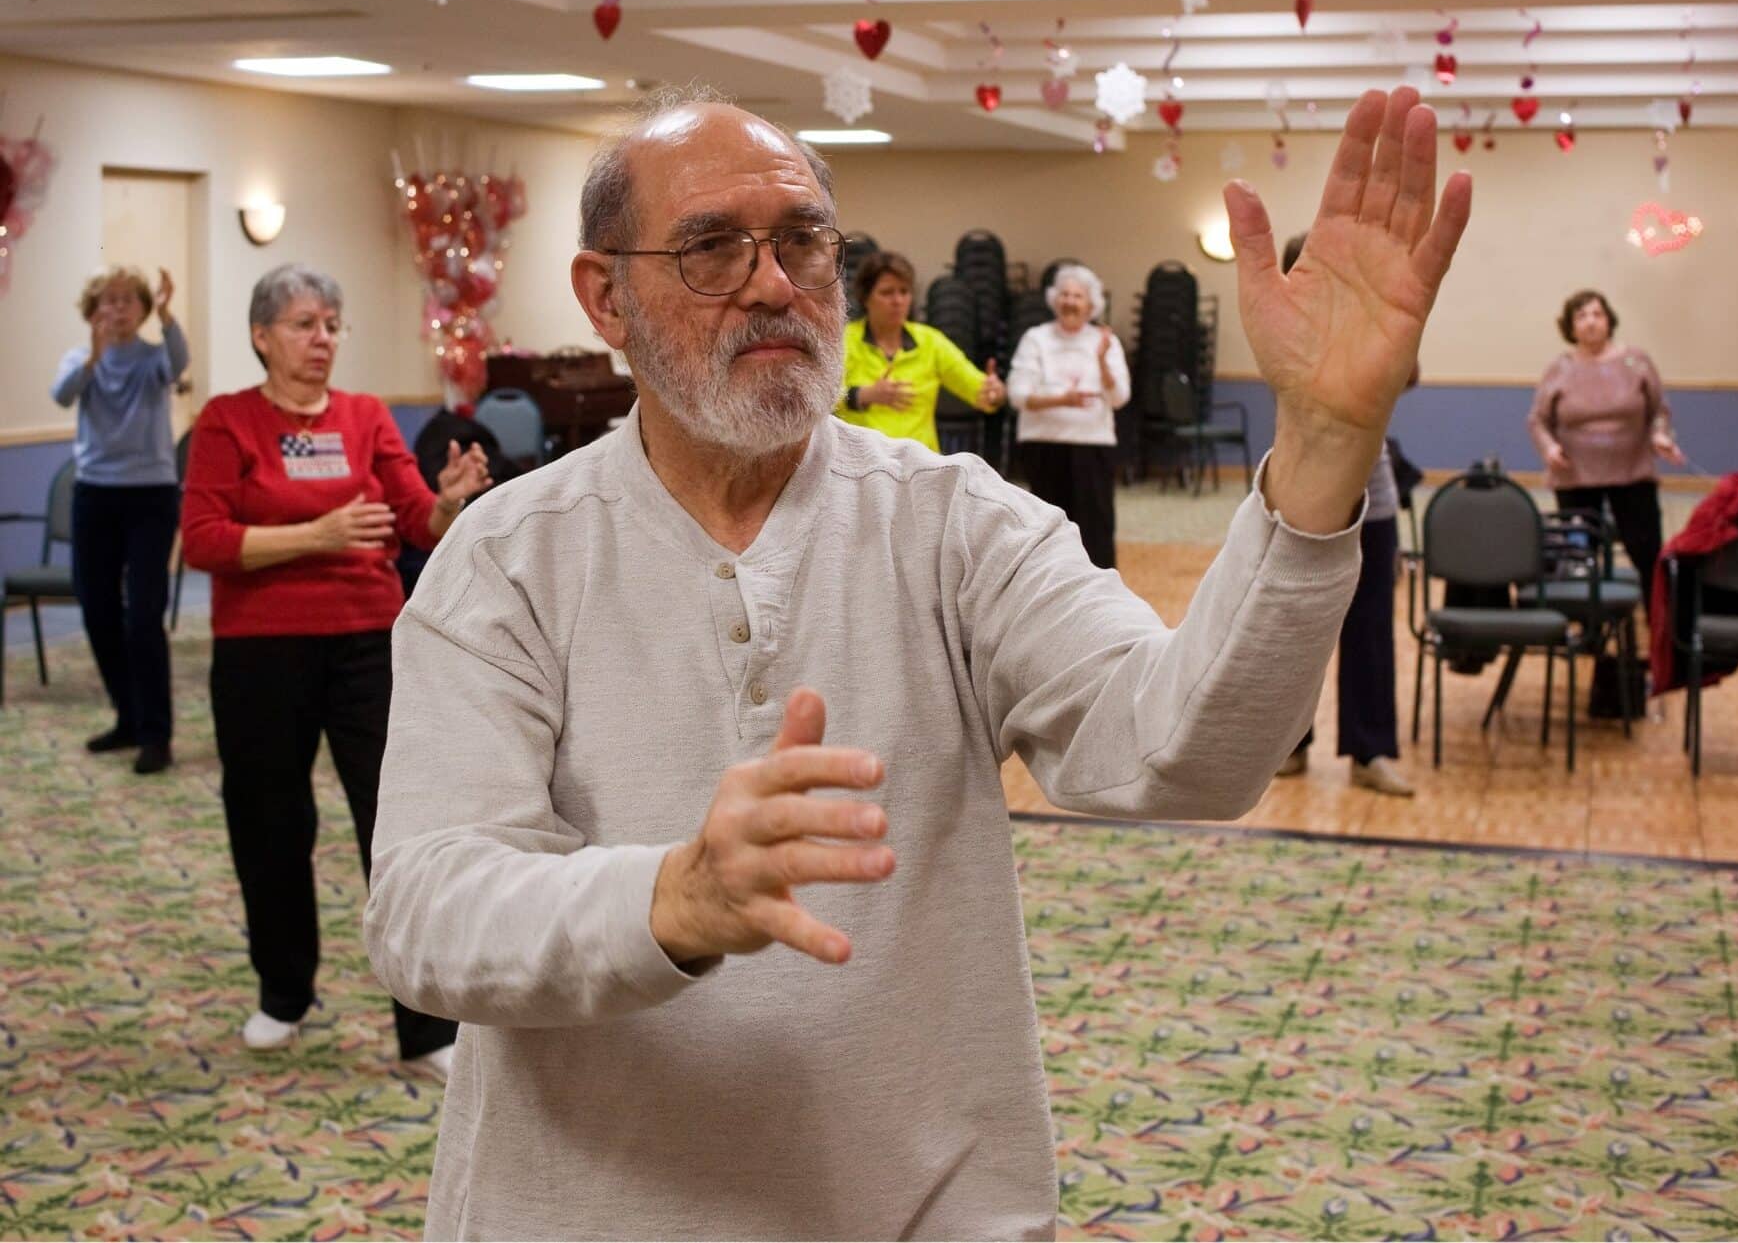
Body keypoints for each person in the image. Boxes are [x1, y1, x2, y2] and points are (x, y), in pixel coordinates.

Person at [363, 84, 1471, 1238]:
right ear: (606, 297)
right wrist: (675, 900)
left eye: (802, 241)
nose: (772, 283)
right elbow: (427, 915)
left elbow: (1180, 753)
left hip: (923, 1207)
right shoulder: (507, 557)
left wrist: (1327, 446)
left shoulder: (955, 525)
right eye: (710, 250)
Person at [179, 263, 492, 1077]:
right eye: (304, 325)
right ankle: (283, 994)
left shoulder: (364, 417)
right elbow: (205, 540)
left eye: (330, 326)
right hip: (260, 650)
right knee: (272, 824)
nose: (322, 341)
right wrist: (316, 536)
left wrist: (450, 499)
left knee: (395, 827)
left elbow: (416, 520)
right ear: (262, 336)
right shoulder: (226, 421)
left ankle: (426, 1029)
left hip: (365, 641)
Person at [1274, 234, 1412, 796]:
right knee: (1295, 632)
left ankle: (1370, 750)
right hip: (1302, 503)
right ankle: (1288, 744)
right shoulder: (1283, 329)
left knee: (1371, 631)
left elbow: (1406, 374)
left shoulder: (1376, 324)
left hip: (1372, 505)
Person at [49, 266, 186, 775]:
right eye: (109, 301)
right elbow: (62, 394)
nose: (119, 308)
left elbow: (178, 362)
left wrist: (170, 317)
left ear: (144, 308)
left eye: (130, 300)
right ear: (93, 310)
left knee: (143, 617)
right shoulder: (80, 359)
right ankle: (127, 717)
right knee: (98, 610)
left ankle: (156, 734)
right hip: (96, 497)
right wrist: (93, 354)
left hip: (150, 495)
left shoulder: (153, 358)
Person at [1526, 289, 1685, 586]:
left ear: (1609, 320)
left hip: (1633, 474)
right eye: (1581, 316)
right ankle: (1588, 626)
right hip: (1575, 476)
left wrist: (1660, 436)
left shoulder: (1636, 361)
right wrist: (1548, 449)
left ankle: (1660, 625)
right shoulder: (1560, 369)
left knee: (1647, 553)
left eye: (1597, 314)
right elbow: (1537, 420)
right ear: (1570, 327)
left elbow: (1659, 411)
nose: (1590, 322)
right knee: (1579, 560)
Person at [1005, 263, 1130, 569]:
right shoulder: (1036, 338)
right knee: (1047, 529)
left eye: (1077, 296)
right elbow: (1018, 395)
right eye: (1064, 294)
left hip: (1093, 446)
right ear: (1053, 299)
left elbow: (1119, 397)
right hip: (1043, 445)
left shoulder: (1106, 342)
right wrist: (1064, 400)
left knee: (1095, 530)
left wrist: (1101, 362)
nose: (1070, 301)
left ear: (1091, 305)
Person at [835, 250, 1005, 451]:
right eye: (887, 292)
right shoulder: (844, 340)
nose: (898, 301)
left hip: (921, 464)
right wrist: (864, 395)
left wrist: (994, 392)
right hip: (863, 459)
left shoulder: (931, 341)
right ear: (865, 298)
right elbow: (824, 399)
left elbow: (978, 391)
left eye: (904, 291)